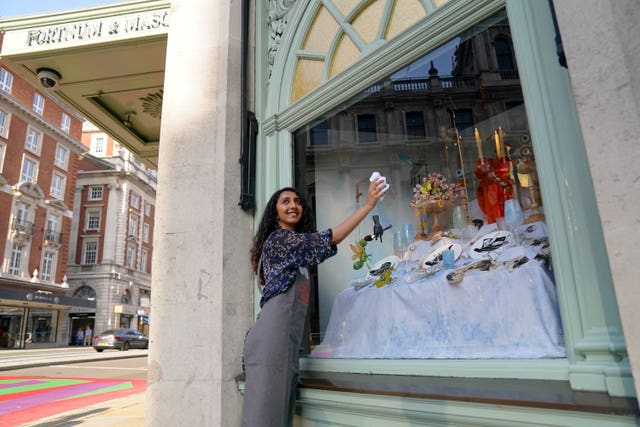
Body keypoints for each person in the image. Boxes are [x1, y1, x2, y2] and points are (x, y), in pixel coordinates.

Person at [241, 177, 386, 427]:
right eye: (285, 201)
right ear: (274, 213)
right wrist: (368, 205)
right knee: (265, 418)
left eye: (297, 201)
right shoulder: (279, 240)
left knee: (275, 417)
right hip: (271, 344)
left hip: (281, 344)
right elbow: (330, 239)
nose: (293, 205)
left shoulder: (295, 251)